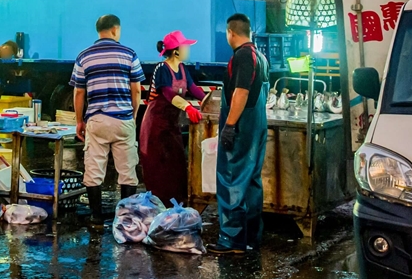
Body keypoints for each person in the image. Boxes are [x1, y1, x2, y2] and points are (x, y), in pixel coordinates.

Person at [72, 14, 144, 228]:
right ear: (115, 30)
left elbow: (78, 93)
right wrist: (132, 115)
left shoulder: (84, 56)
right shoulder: (129, 54)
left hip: (97, 119)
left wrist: (79, 121)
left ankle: (96, 216)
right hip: (123, 119)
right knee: (127, 170)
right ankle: (125, 218)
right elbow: (137, 89)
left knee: (94, 169)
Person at [209, 13, 268, 255]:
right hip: (256, 125)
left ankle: (232, 240)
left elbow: (241, 93)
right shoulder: (260, 56)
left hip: (242, 126)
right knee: (252, 179)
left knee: (231, 178)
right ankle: (251, 236)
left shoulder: (243, 55)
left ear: (231, 32)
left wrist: (230, 125)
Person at [139, 30, 207, 206]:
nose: (188, 49)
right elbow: (168, 93)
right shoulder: (162, 69)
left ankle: (177, 206)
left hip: (171, 125)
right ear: (176, 50)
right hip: (155, 126)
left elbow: (194, 89)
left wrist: (211, 102)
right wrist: (187, 107)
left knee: (176, 165)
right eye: (185, 46)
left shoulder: (183, 69)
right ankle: (160, 208)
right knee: (159, 167)